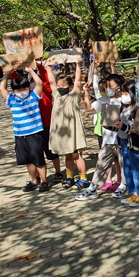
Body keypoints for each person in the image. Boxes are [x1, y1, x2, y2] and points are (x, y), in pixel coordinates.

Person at [0, 67, 49, 192]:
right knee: (27, 160)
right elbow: (2, 88)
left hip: (34, 133)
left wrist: (31, 71)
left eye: (24, 89)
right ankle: (33, 180)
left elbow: (39, 83)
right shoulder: (11, 99)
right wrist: (6, 75)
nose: (22, 92)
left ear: (28, 88)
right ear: (14, 91)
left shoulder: (33, 96)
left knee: (38, 158)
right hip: (20, 135)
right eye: (18, 90)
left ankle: (44, 181)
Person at [79, 73, 126, 201]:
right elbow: (89, 109)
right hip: (107, 138)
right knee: (102, 163)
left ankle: (123, 185)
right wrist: (86, 93)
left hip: (122, 138)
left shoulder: (125, 100)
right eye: (107, 86)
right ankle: (93, 187)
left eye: (110, 86)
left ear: (119, 87)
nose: (107, 88)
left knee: (123, 163)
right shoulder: (103, 100)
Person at [45, 58, 89, 189]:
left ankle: (83, 178)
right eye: (58, 86)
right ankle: (69, 177)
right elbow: (51, 81)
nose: (60, 88)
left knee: (76, 155)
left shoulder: (74, 95)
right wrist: (48, 67)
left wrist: (78, 65)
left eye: (63, 86)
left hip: (73, 132)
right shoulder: (57, 96)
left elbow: (77, 81)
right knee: (67, 155)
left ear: (69, 87)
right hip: (61, 132)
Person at [115, 80, 139, 206]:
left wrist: (124, 126)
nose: (123, 95)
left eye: (125, 92)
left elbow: (137, 127)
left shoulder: (138, 108)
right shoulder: (123, 107)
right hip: (124, 140)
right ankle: (133, 192)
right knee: (128, 167)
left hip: (135, 142)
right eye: (122, 93)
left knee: (137, 168)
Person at [35, 59, 63, 183]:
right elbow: (16, 81)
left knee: (51, 150)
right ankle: (38, 176)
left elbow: (47, 80)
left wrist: (41, 67)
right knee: (36, 152)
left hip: (47, 123)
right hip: (33, 125)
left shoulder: (45, 87)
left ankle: (58, 172)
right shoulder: (27, 89)